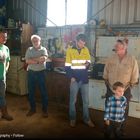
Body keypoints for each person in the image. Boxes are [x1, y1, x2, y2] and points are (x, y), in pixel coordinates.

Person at [103, 38, 139, 136]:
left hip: (125, 90)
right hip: (111, 89)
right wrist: (107, 83)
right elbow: (105, 72)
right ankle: (107, 128)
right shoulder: (111, 58)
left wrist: (130, 86)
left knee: (123, 110)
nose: (115, 48)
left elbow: (135, 75)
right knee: (108, 108)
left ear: (124, 48)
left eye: (117, 47)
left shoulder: (132, 59)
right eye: (115, 46)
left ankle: (120, 129)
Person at [65, 33, 94, 128]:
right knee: (73, 101)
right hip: (74, 79)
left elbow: (89, 61)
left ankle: (87, 119)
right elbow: (67, 66)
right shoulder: (70, 50)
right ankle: (72, 119)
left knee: (86, 101)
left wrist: (87, 64)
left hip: (84, 79)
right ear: (76, 41)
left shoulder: (85, 49)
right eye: (81, 43)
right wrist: (71, 77)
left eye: (84, 43)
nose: (82, 45)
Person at [25, 34, 48, 118]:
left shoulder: (44, 49)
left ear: (39, 41)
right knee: (31, 92)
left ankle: (45, 110)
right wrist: (38, 60)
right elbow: (27, 61)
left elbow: (44, 59)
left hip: (41, 73)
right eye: (33, 41)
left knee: (43, 92)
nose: (35, 42)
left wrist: (33, 60)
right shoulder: (29, 49)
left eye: (36, 40)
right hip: (31, 73)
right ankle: (32, 109)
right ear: (32, 42)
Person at [0, 30, 13, 121]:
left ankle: (4, 113)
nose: (4, 38)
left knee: (2, 96)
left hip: (2, 77)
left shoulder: (6, 48)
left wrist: (6, 69)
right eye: (2, 36)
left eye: (5, 36)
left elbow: (8, 61)